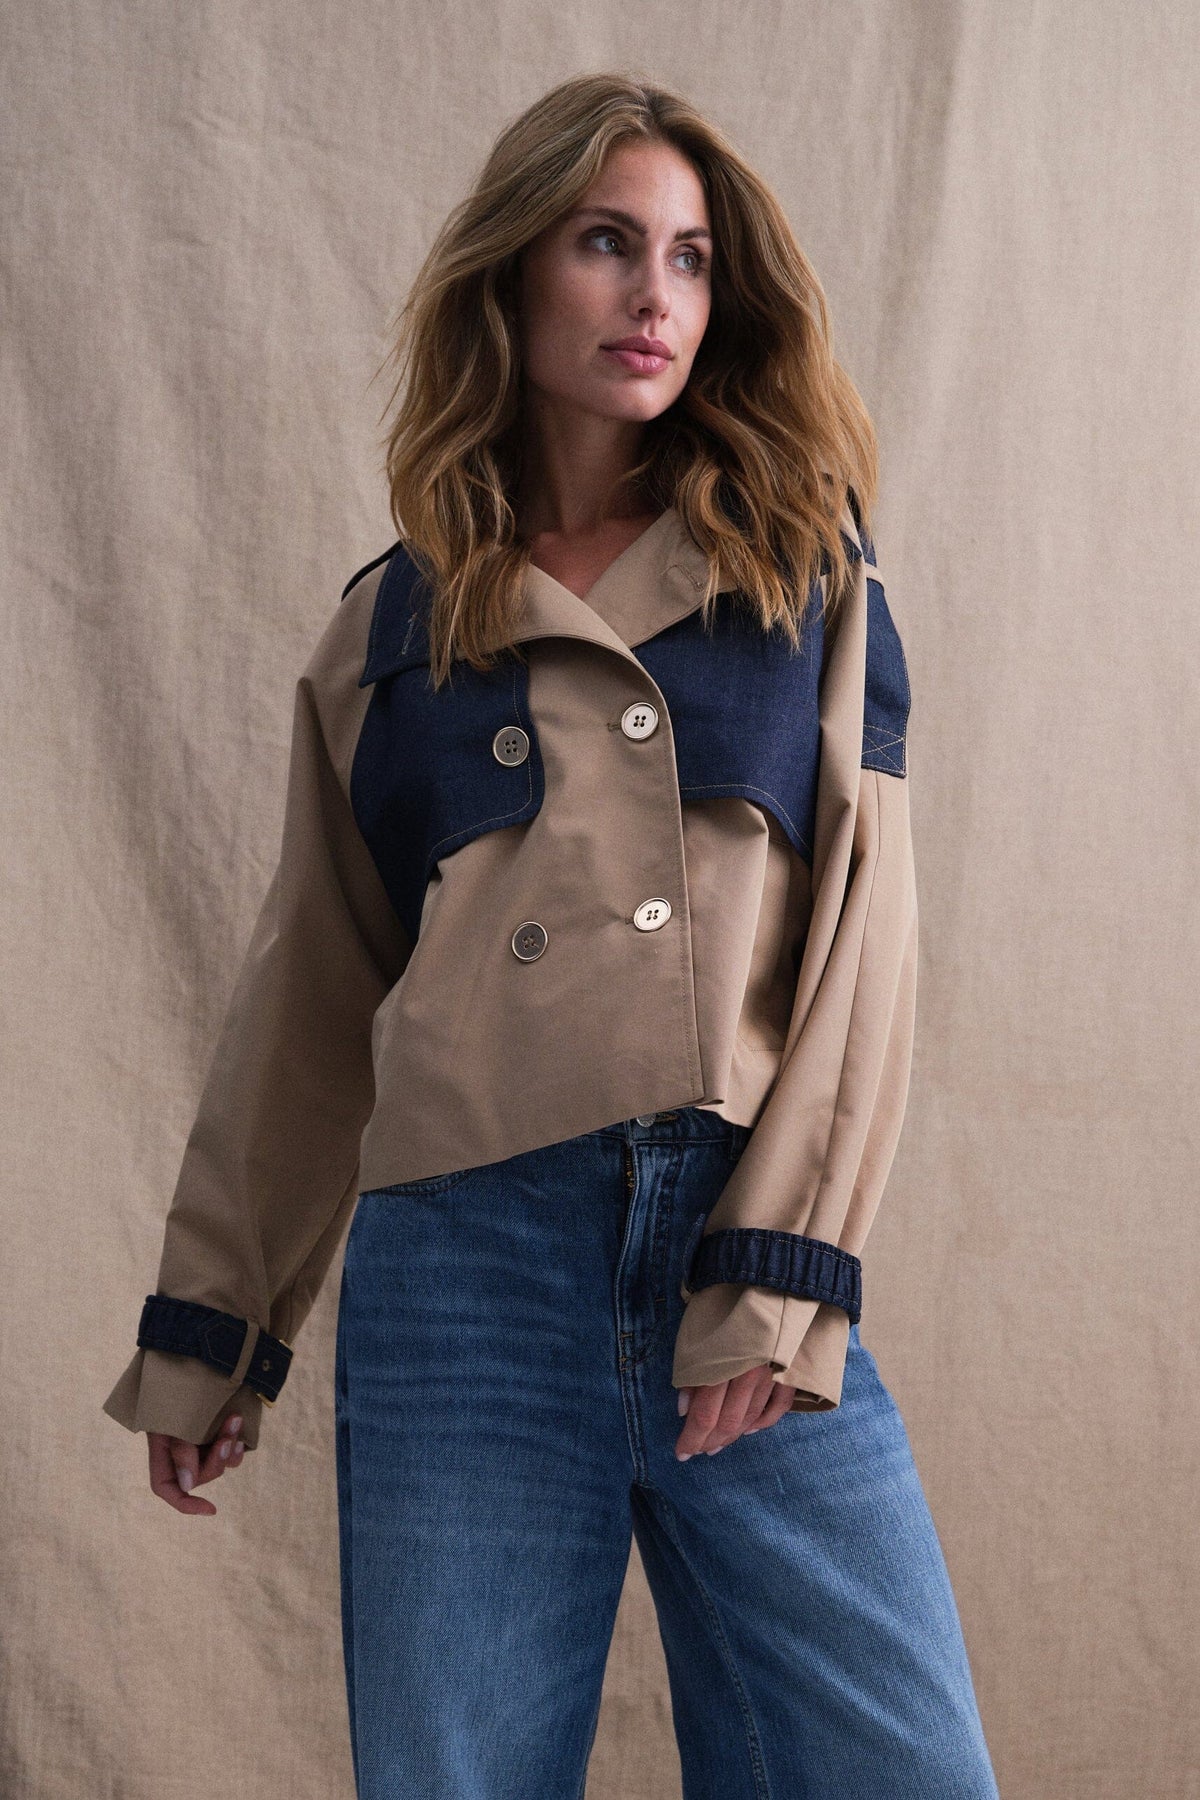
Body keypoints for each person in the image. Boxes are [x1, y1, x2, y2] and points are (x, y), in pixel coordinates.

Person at [103, 71, 1001, 1800]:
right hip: (468, 1268)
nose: (656, 293)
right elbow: (309, 997)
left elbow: (866, 946)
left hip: (730, 1239)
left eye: (690, 257)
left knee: (903, 1768)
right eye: (607, 243)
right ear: (514, 272)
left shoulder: (801, 580)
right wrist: (216, 1323)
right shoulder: (394, 629)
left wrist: (783, 1265)